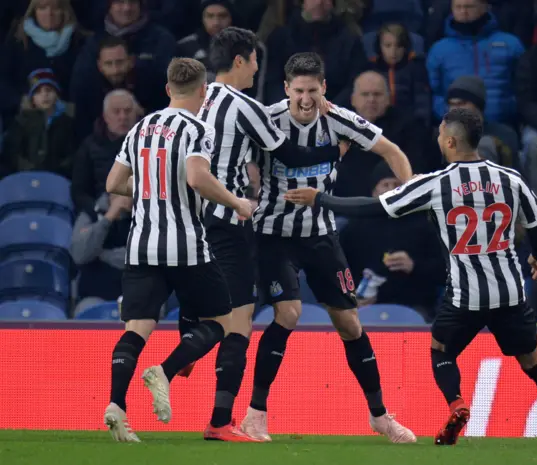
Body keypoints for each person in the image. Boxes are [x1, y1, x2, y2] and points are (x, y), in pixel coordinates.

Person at [284, 107, 537, 447]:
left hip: (465, 295)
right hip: (510, 294)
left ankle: (457, 404)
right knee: (533, 361)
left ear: (452, 140)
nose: (439, 138)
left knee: (440, 350)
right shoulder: (510, 179)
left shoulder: (436, 184)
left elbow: (375, 208)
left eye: (442, 132)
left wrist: (321, 199)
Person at [241, 52, 415, 443]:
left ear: (324, 90)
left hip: (321, 236)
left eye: (312, 91)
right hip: (273, 234)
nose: (305, 99)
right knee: (289, 312)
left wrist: (410, 191)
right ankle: (255, 415)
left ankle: (380, 417)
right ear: (286, 89)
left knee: (351, 324)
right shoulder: (266, 121)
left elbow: (392, 151)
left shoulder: (339, 120)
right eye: (298, 90)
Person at [196, 27, 349, 442]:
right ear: (243, 59)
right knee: (239, 323)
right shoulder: (246, 107)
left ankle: (180, 358)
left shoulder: (199, 98)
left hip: (192, 217)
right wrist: (336, 150)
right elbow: (292, 155)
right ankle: (218, 417)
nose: (257, 68)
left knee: (219, 310)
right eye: (256, 60)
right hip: (233, 220)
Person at [102, 57, 252, 443]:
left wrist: (151, 189)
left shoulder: (139, 127)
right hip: (186, 245)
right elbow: (198, 177)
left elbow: (114, 183)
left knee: (136, 328)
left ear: (168, 89)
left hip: (141, 246)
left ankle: (117, 406)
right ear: (203, 92)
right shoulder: (198, 128)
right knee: (220, 320)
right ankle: (165, 372)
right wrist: (237, 202)